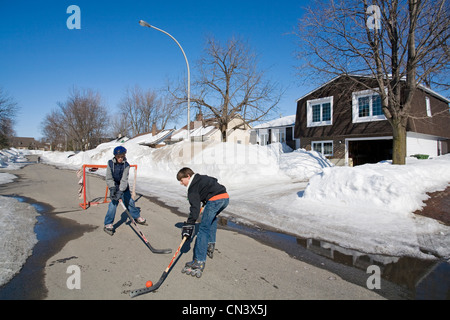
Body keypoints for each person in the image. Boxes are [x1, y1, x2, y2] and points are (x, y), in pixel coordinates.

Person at [177, 167, 229, 278]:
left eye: (182, 180)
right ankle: (210, 244)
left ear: (188, 176)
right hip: (225, 198)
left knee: (203, 230)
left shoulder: (192, 188)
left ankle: (199, 261)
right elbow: (213, 181)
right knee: (212, 219)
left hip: (215, 200)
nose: (181, 183)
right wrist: (206, 198)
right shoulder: (201, 178)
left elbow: (195, 209)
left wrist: (190, 224)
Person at [103, 146, 146, 235]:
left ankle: (136, 216)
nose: (120, 158)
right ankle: (108, 224)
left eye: (122, 156)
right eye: (119, 156)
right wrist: (112, 189)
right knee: (113, 205)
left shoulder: (126, 165)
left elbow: (124, 179)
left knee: (130, 202)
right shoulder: (110, 163)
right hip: (114, 186)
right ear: (115, 156)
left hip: (124, 186)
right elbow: (109, 177)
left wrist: (121, 191)